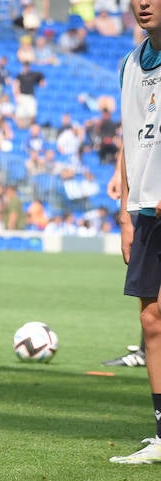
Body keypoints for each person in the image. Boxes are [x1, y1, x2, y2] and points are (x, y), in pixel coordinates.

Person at [112, 0, 161, 465]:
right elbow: (130, 134)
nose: (143, 2)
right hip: (148, 211)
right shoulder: (130, 64)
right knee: (151, 322)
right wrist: (125, 212)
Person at [104, 153, 146, 368]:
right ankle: (146, 349)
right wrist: (118, 174)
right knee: (147, 284)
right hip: (144, 191)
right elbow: (132, 130)